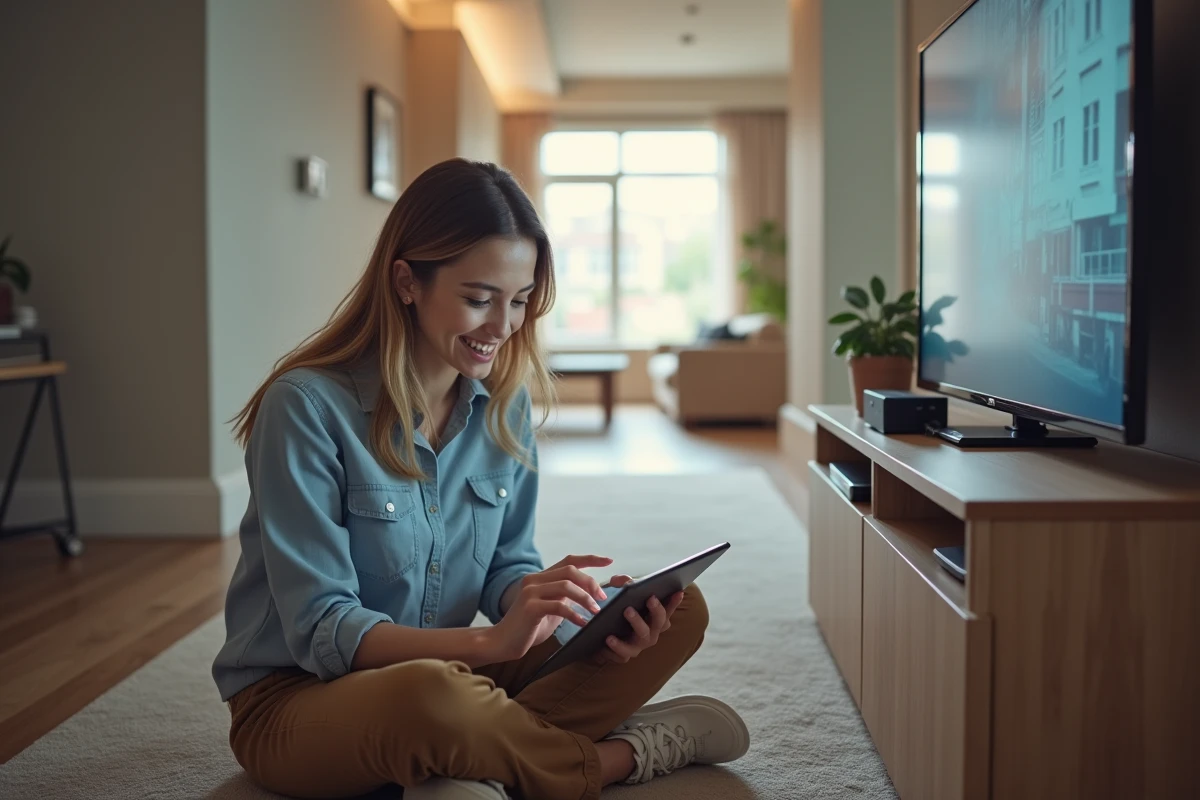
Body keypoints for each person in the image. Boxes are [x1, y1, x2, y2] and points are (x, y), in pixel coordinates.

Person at [211, 159, 749, 800]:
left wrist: (557, 606)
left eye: (519, 301)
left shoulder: (504, 403)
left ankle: (471, 763)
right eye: (478, 299)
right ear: (407, 282)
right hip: (297, 700)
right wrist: (490, 642)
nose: (503, 326)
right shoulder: (304, 407)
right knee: (432, 695)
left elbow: (506, 565)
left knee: (676, 610)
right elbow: (322, 628)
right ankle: (617, 759)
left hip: (456, 676)